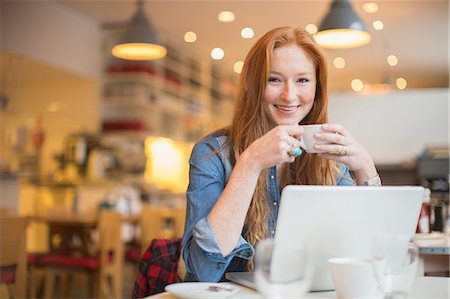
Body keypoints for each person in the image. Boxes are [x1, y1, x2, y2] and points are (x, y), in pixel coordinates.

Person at [181, 26, 381, 282]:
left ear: (317, 88)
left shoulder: (328, 159)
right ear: (253, 86)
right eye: (274, 79)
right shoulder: (212, 154)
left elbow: (370, 255)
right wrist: (250, 163)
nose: (289, 95)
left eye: (303, 80)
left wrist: (365, 168)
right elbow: (203, 272)